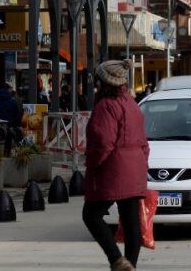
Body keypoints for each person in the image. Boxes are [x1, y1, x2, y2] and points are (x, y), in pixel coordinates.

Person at [82, 60, 149, 271]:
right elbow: (144, 143)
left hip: (113, 170)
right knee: (131, 221)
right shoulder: (132, 104)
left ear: (104, 82)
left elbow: (103, 143)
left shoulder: (106, 106)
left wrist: (92, 165)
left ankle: (117, 260)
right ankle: (131, 265)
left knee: (91, 215)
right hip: (135, 169)